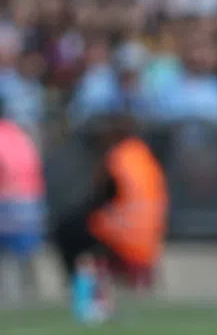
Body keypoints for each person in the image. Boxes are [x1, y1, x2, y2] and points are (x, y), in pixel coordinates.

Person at [53, 117, 168, 324]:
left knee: (68, 231)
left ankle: (84, 294)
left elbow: (99, 199)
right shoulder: (145, 157)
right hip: (149, 240)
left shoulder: (117, 159)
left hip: (123, 237)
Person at [0, 98, 46, 301]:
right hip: (32, 202)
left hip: (9, 202)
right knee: (28, 255)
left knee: (8, 258)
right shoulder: (21, 134)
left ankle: (12, 297)